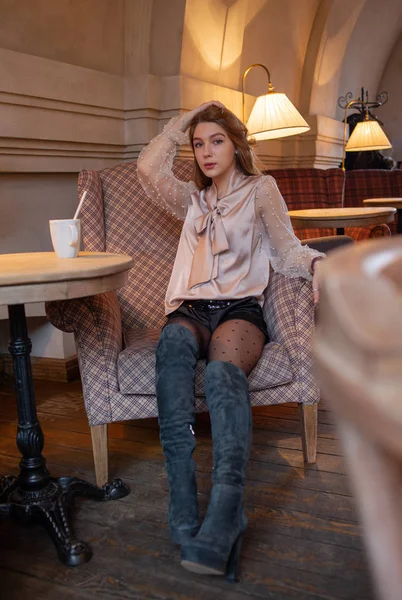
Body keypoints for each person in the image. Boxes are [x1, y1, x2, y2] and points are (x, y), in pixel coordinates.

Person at [137, 101, 325, 580]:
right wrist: (181, 124)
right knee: (172, 354)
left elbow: (285, 249)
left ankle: (225, 512)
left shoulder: (261, 190)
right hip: (190, 309)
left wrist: (317, 264)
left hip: (239, 309)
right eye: (198, 143)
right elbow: (147, 167)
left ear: (236, 144)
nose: (205, 151)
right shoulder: (191, 199)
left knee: (223, 373)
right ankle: (183, 508)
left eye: (215, 140)